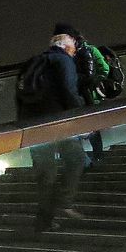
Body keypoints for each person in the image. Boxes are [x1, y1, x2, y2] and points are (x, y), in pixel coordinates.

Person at [16, 34, 88, 229]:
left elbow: (20, 95)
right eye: (73, 49)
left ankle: (44, 220)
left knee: (45, 173)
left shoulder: (33, 62)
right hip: (58, 123)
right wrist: (81, 119)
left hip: (33, 125)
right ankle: (63, 202)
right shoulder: (64, 61)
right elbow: (69, 91)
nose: (74, 52)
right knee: (77, 158)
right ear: (66, 48)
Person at [56, 22, 113, 160]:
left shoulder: (87, 51)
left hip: (87, 94)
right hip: (72, 96)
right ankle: (83, 159)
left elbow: (100, 71)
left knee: (91, 126)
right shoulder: (63, 54)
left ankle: (97, 157)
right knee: (76, 128)